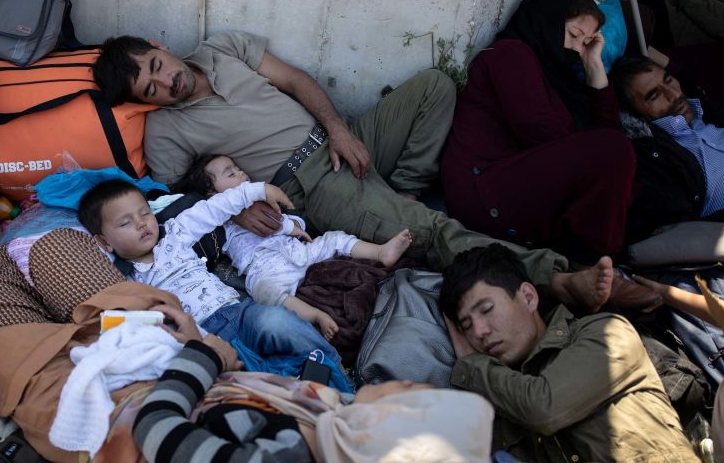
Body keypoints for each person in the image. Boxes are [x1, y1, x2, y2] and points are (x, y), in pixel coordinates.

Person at [94, 31, 650, 314]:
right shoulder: (167, 134)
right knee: (427, 229)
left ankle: (395, 198)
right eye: (151, 88)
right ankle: (557, 278)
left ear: (161, 48)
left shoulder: (222, 47)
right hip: (304, 183)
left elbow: (295, 81)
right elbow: (184, 205)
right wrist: (244, 207)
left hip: (340, 141)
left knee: (434, 85)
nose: (165, 81)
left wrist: (338, 128)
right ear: (148, 103)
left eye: (156, 66)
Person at [123, 303, 494, 463]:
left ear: (388, 426)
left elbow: (154, 426)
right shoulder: (343, 426)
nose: (409, 380)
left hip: (144, 398)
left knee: (134, 309)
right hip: (208, 369)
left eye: (413, 393)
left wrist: (200, 355)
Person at [439, 243, 697, 463]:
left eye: (486, 309)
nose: (480, 331)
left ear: (528, 297)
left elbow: (544, 407)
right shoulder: (499, 399)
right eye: (467, 326)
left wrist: (473, 365)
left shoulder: (605, 331)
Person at [441, 0, 636, 264]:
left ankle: (592, 265)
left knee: (620, 161)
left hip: (511, 186)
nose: (577, 49)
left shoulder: (559, 80)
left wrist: (594, 66)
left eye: (587, 42)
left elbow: (606, 134)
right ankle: (592, 265)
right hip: (482, 190)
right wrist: (591, 149)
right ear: (548, 21)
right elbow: (544, 134)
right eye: (574, 36)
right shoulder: (510, 55)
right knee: (614, 153)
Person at [76, 178, 344, 366]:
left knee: (277, 322)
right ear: (104, 242)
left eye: (144, 213)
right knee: (247, 375)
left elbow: (213, 210)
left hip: (239, 312)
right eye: (125, 222)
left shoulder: (175, 235)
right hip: (203, 337)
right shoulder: (127, 279)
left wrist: (257, 190)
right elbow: (117, 319)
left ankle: (334, 368)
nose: (141, 224)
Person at [179, 153, 412, 338]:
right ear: (212, 195)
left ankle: (380, 252)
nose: (241, 173)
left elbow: (289, 220)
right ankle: (314, 315)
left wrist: (293, 225)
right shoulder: (220, 222)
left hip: (297, 251)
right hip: (267, 268)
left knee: (334, 239)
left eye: (238, 168)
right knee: (263, 292)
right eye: (231, 174)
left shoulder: (263, 198)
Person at [611, 55, 724, 241]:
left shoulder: (709, 111)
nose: (673, 94)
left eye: (668, 80)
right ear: (633, 113)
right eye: (654, 95)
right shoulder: (657, 160)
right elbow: (683, 226)